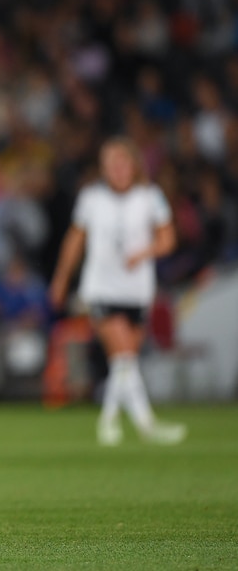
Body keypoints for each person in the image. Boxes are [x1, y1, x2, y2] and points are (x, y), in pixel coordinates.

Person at [49, 137, 186, 446]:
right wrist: (61, 278)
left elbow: (168, 239)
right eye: (110, 164)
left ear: (133, 164)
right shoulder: (92, 199)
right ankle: (114, 422)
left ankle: (140, 424)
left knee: (126, 363)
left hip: (137, 290)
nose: (117, 170)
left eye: (122, 163)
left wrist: (144, 253)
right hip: (102, 288)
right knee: (123, 356)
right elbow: (75, 240)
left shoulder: (150, 197)